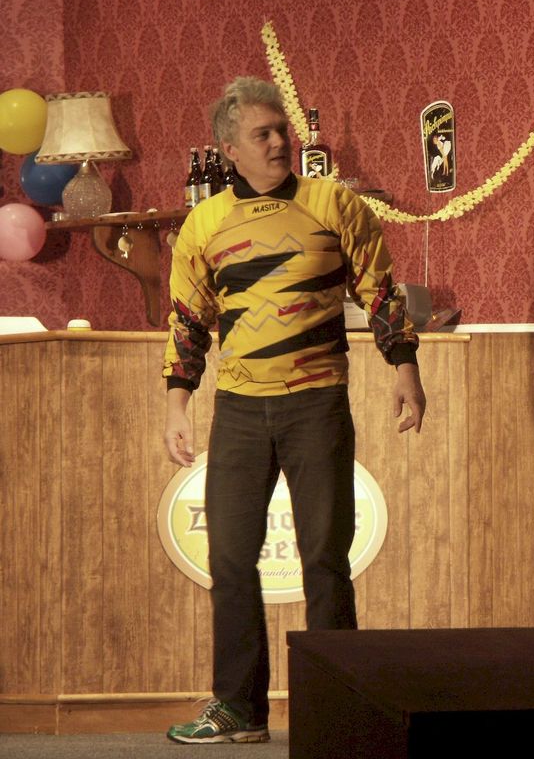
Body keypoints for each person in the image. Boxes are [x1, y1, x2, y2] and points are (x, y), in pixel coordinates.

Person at [161, 76, 426, 744]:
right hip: (239, 411)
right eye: (263, 134)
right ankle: (238, 709)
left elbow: (381, 292)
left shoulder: (334, 203)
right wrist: (176, 406)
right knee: (229, 561)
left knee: (325, 563)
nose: (280, 142)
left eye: (282, 129)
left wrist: (405, 370)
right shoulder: (204, 223)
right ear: (229, 150)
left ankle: (339, 711)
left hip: (317, 404)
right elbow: (188, 322)